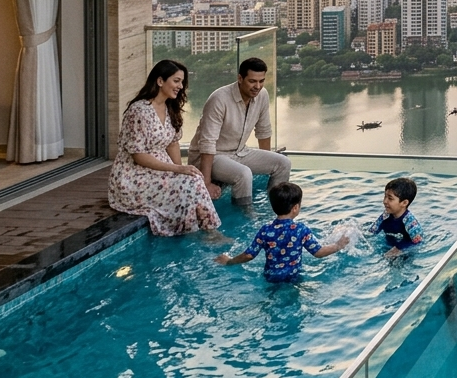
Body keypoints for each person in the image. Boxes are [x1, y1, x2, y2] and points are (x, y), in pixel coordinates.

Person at [108, 60, 221, 237]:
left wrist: (182, 171)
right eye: (176, 81)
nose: (180, 86)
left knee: (192, 179)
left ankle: (205, 230)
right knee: (191, 183)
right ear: (160, 81)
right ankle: (202, 233)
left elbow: (172, 143)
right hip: (134, 175)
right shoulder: (139, 110)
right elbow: (138, 156)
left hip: (161, 170)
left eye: (182, 82)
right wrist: (177, 169)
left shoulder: (170, 107)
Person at [190, 57, 291, 206]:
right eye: (252, 81)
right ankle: (244, 216)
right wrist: (206, 183)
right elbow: (207, 143)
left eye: (261, 81)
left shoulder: (262, 95)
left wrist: (266, 161)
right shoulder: (219, 99)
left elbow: (263, 131)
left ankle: (273, 209)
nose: (257, 86)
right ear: (240, 78)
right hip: (214, 155)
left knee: (283, 163)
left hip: (241, 152)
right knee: (243, 174)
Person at [215, 182, 348, 282]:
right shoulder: (301, 229)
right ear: (295, 208)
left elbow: (249, 255)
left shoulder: (265, 230)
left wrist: (229, 261)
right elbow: (318, 253)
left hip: (270, 278)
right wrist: (338, 245)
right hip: (293, 277)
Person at [367, 176, 426, 259]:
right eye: (385, 196)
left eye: (390, 198)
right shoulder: (385, 216)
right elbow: (372, 232)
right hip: (386, 248)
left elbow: (418, 242)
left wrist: (399, 249)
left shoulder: (410, 222)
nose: (384, 201)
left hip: (404, 254)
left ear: (404, 203)